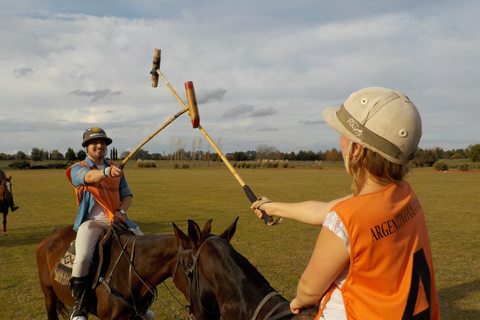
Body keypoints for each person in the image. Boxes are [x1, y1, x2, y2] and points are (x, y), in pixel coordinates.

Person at [251, 87, 440, 319]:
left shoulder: (347, 218)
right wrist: (272, 207)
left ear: (356, 150)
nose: (340, 141)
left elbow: (309, 290)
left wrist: (298, 301)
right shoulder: (404, 195)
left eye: (342, 134)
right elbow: (324, 210)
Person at [66, 127, 153, 320]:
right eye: (95, 142)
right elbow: (89, 178)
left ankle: (143, 305)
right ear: (86, 147)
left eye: (103, 142)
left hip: (119, 222)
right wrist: (106, 172)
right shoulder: (77, 168)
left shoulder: (116, 169)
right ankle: (78, 306)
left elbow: (127, 196)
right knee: (82, 259)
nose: (99, 145)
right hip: (92, 223)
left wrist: (121, 212)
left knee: (148, 252)